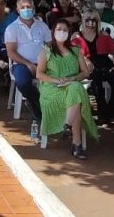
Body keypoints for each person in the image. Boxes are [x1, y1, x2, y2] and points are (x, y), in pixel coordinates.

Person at [38, 19, 99, 159]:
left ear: (69, 33)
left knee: (75, 89)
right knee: (76, 96)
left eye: (65, 30)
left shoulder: (76, 51)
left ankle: (66, 125)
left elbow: (85, 72)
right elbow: (39, 74)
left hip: (71, 85)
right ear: (53, 32)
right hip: (52, 88)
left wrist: (72, 78)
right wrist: (56, 80)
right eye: (59, 29)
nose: (62, 32)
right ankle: (76, 144)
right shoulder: (46, 51)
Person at [5, 0, 53, 142]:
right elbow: (11, 52)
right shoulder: (12, 28)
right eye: (23, 7)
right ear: (18, 10)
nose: (27, 9)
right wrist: (28, 64)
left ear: (33, 8)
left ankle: (35, 109)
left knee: (56, 83)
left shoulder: (42, 26)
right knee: (23, 82)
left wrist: (43, 62)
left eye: (29, 7)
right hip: (21, 64)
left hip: (43, 63)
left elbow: (50, 46)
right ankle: (40, 112)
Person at [73, 9, 114, 125]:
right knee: (96, 82)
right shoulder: (77, 36)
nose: (91, 23)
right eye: (88, 20)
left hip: (105, 63)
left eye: (94, 20)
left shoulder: (103, 35)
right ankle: (102, 113)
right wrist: (86, 61)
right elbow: (74, 54)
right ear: (83, 21)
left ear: (98, 21)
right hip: (87, 65)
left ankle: (108, 113)